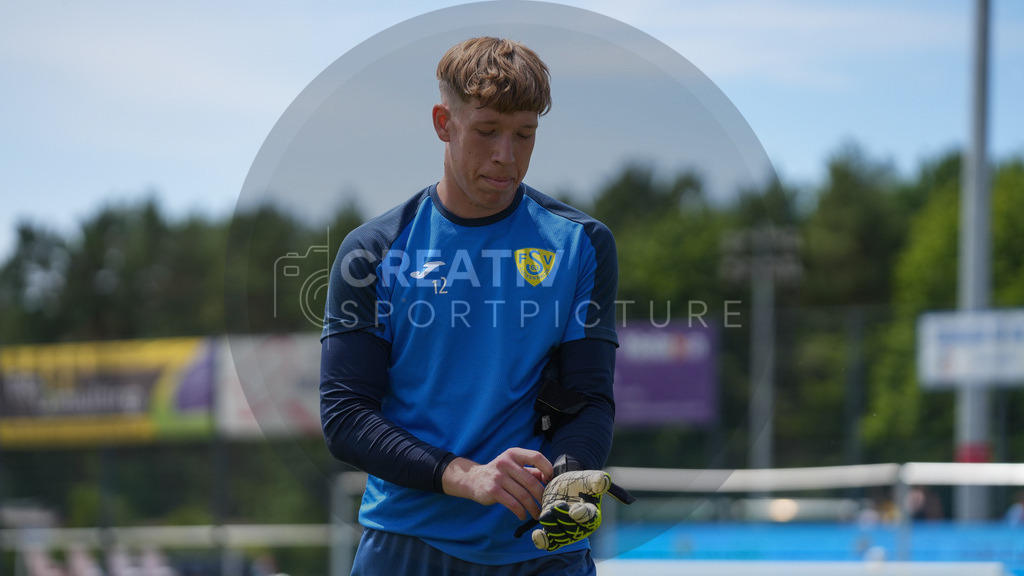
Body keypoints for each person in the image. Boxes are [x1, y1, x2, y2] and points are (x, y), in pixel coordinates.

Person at [319, 37, 625, 575]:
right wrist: (469, 477)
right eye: (487, 131)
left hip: (540, 553)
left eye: (525, 134)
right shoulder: (373, 251)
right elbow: (346, 417)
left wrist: (569, 471)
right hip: (407, 545)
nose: (507, 155)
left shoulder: (581, 243)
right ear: (443, 122)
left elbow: (589, 398)